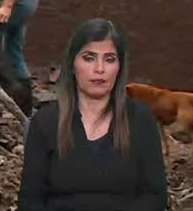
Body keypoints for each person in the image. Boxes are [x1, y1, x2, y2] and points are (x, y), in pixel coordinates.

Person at [18, 18, 167, 211]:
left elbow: (154, 198)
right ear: (72, 65)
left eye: (109, 59)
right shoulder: (46, 122)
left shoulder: (140, 120)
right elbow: (30, 201)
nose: (100, 69)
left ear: (119, 67)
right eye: (89, 58)